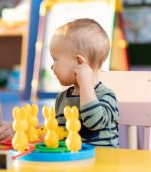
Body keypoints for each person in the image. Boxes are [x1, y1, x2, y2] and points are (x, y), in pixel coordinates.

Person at [49, 18, 119, 147]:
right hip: (73, 163)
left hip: (103, 164)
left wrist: (85, 83)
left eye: (55, 59)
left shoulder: (107, 96)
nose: (51, 66)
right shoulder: (62, 98)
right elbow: (60, 135)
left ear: (79, 62)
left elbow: (94, 122)